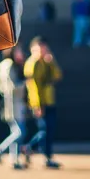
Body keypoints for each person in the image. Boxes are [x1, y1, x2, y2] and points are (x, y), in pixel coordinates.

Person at [23, 37, 62, 169]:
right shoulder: (32, 64)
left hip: (49, 101)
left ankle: (32, 149)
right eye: (40, 48)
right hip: (39, 103)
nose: (42, 51)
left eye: (44, 48)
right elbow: (33, 87)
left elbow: (57, 76)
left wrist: (51, 62)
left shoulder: (46, 62)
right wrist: (37, 105)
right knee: (45, 130)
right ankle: (41, 154)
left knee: (48, 130)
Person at [0, 47, 27, 169]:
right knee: (19, 132)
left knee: (14, 131)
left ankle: (14, 159)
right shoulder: (9, 65)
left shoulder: (5, 64)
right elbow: (11, 87)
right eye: (18, 51)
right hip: (12, 104)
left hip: (13, 103)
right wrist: (27, 83)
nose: (20, 53)